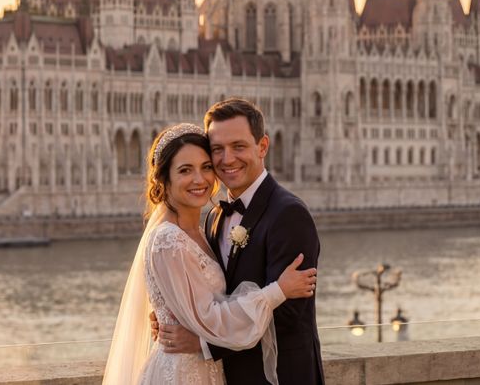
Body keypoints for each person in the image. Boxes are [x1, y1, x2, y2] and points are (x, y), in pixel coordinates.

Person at [103, 123, 316, 385]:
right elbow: (207, 315)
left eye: (205, 167)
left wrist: (193, 331)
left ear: (262, 146)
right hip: (182, 373)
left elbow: (289, 314)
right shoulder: (170, 238)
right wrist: (278, 290)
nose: (199, 179)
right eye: (185, 170)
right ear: (164, 178)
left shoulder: (211, 223)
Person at [157, 99, 325, 384]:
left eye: (238, 146)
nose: (227, 159)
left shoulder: (289, 214)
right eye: (217, 149)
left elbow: (287, 315)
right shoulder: (213, 217)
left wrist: (204, 343)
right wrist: (176, 315)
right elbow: (210, 294)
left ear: (262, 146)